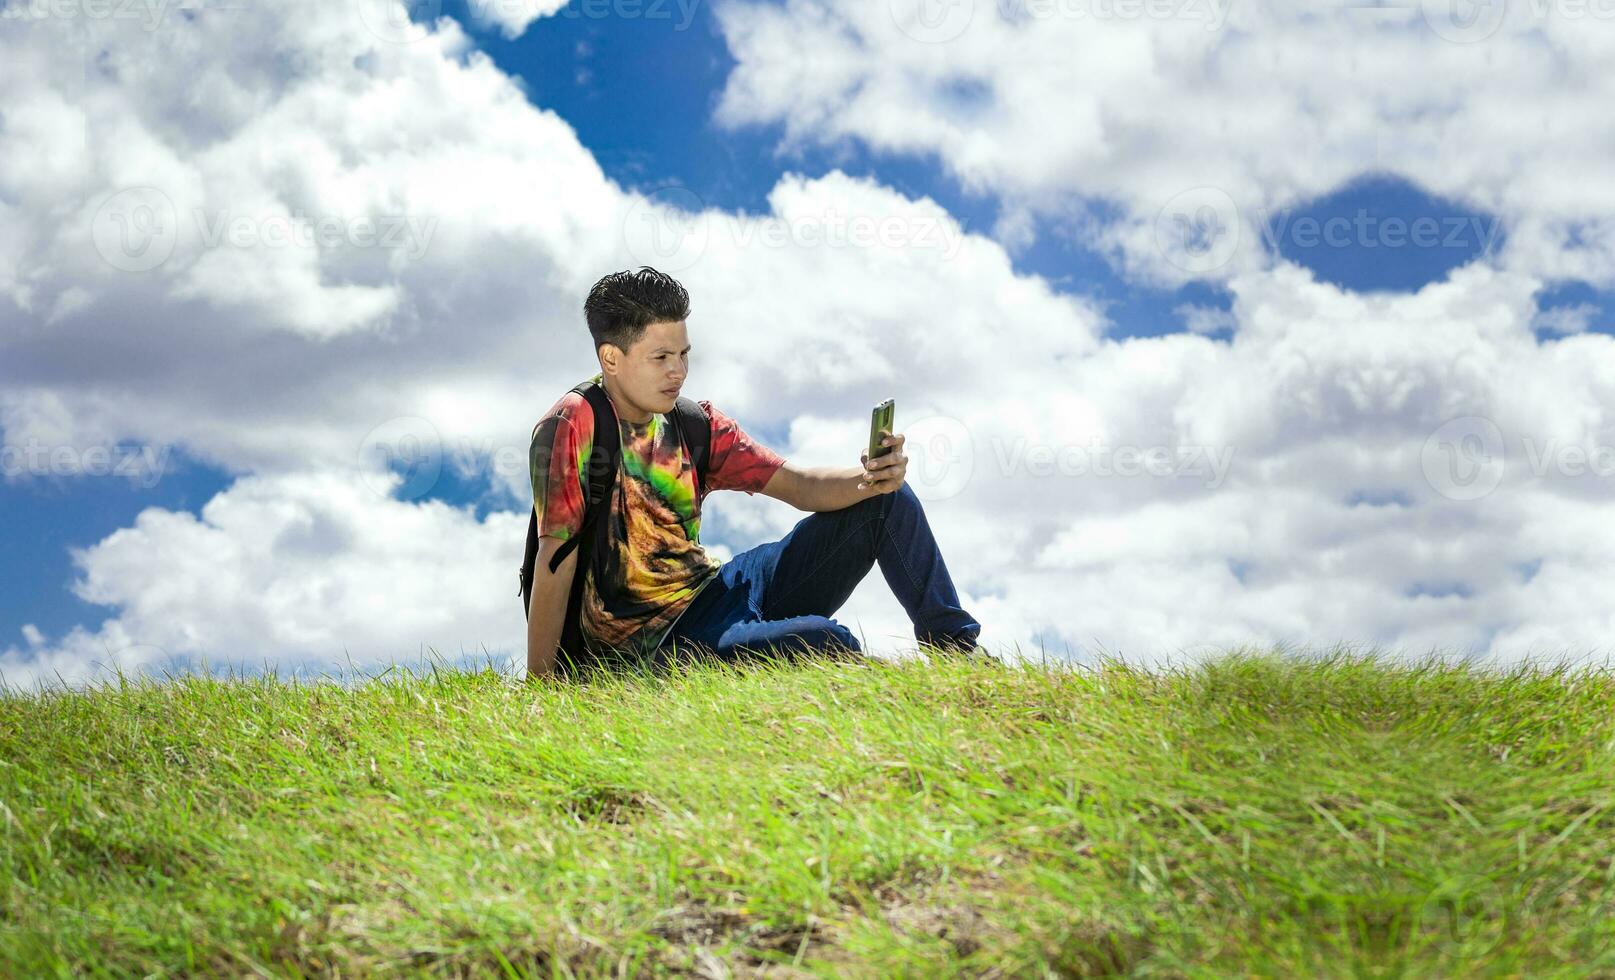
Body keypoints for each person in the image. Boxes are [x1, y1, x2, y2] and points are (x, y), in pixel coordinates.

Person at [525, 266, 984, 680]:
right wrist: (541, 689)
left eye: (684, 353)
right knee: (825, 642)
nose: (679, 371)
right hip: (652, 643)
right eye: (661, 357)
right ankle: (880, 683)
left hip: (715, 589)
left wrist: (871, 479)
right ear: (611, 359)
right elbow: (556, 556)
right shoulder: (574, 423)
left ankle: (958, 654)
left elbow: (797, 484)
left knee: (888, 502)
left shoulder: (693, 422)